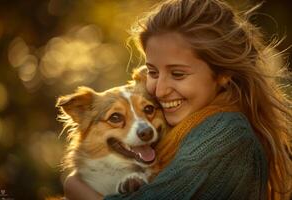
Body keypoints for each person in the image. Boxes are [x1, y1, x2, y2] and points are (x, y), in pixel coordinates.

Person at [63, 0, 292, 199]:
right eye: (153, 72)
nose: (160, 91)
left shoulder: (226, 133)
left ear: (222, 75)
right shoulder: (182, 131)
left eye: (178, 74)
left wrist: (73, 187)